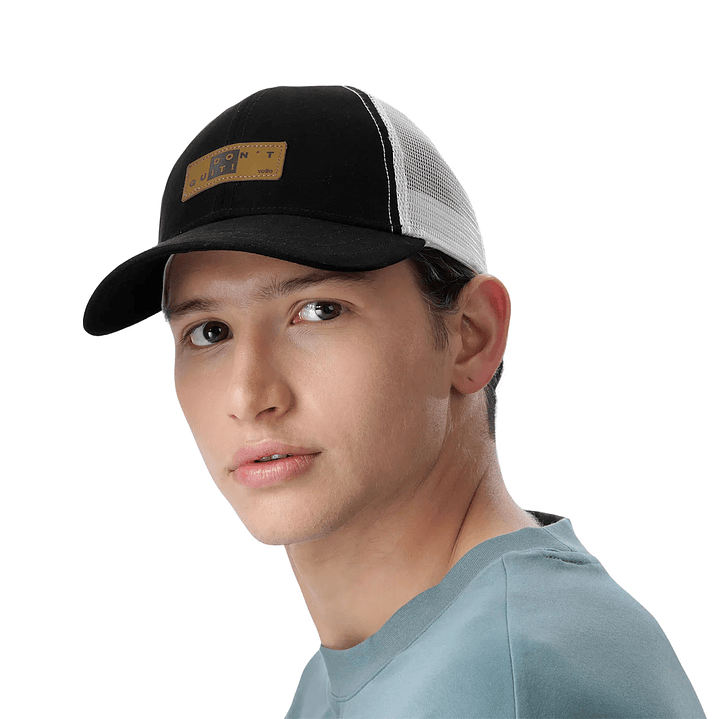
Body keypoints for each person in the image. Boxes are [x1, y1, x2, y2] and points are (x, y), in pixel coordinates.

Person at [83, 85, 706, 718]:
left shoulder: (503, 673)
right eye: (209, 331)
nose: (251, 396)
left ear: (471, 335)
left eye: (319, 311)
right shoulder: (368, 668)